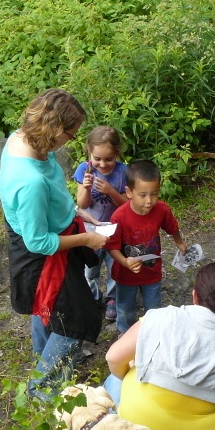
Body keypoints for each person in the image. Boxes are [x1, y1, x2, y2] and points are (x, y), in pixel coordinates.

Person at [0, 88, 108, 400]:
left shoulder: (23, 139)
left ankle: (42, 360)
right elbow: (37, 241)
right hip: (44, 254)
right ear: (55, 129)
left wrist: (76, 212)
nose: (70, 141)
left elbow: (51, 195)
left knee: (46, 307)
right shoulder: (29, 180)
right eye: (70, 135)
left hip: (57, 234)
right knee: (76, 319)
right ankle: (45, 388)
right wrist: (87, 238)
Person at [105, 261, 215, 430]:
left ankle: (112, 425)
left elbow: (113, 358)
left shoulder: (163, 317)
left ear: (194, 295)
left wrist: (130, 373)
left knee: (113, 380)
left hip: (141, 421)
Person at [107, 159, 187, 335]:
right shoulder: (119, 217)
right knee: (125, 308)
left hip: (152, 272)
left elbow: (172, 227)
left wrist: (179, 242)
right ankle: (125, 333)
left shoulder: (161, 210)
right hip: (126, 274)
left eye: (154, 194)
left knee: (154, 307)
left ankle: (153, 333)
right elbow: (112, 247)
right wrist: (125, 262)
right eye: (142, 195)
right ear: (129, 192)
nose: (149, 201)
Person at [72, 126, 128, 321]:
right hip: (90, 229)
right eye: (97, 159)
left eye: (109, 159)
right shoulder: (84, 170)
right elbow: (82, 205)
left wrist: (111, 191)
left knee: (114, 266)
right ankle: (93, 297)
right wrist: (86, 189)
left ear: (117, 153)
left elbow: (127, 206)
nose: (103, 164)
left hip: (115, 230)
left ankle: (113, 298)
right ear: (89, 152)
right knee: (90, 267)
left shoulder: (123, 172)